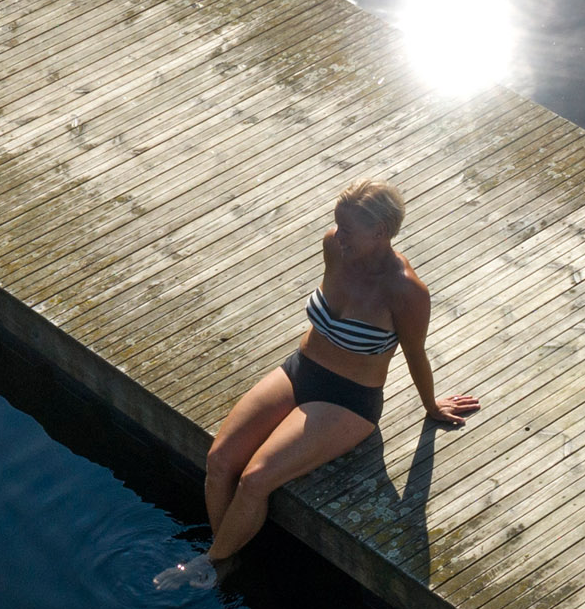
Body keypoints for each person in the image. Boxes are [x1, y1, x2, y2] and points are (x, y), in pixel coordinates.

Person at [189, 176, 480, 571]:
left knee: (255, 479)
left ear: (380, 231)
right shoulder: (333, 246)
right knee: (220, 460)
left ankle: (211, 567)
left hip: (348, 400)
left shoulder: (406, 291)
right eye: (337, 224)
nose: (337, 235)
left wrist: (431, 406)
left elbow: (414, 354)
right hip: (300, 370)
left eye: (347, 229)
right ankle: (224, 552)